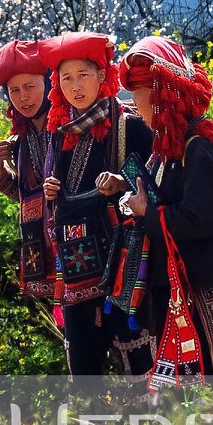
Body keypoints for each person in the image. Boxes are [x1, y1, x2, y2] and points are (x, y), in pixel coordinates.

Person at [105, 35, 213, 385]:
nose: (138, 108)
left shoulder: (200, 150)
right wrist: (127, 189)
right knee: (179, 386)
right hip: (174, 285)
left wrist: (146, 213)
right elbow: (158, 192)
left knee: (201, 380)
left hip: (197, 286)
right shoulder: (169, 147)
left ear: (164, 100)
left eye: (143, 100)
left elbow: (198, 219)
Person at [39, 31, 153, 376]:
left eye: (83, 76)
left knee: (137, 364)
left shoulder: (129, 127)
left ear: (103, 76)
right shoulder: (61, 133)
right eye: (66, 79)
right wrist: (52, 191)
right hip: (75, 267)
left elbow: (153, 185)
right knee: (84, 371)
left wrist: (122, 184)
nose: (75, 87)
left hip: (119, 264)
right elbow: (59, 199)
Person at [0, 38, 57, 304]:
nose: (22, 97)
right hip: (45, 255)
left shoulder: (67, 127)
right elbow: (30, 200)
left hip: (79, 246)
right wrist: (1, 174)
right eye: (14, 91)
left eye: (29, 87)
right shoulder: (21, 140)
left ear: (48, 84)